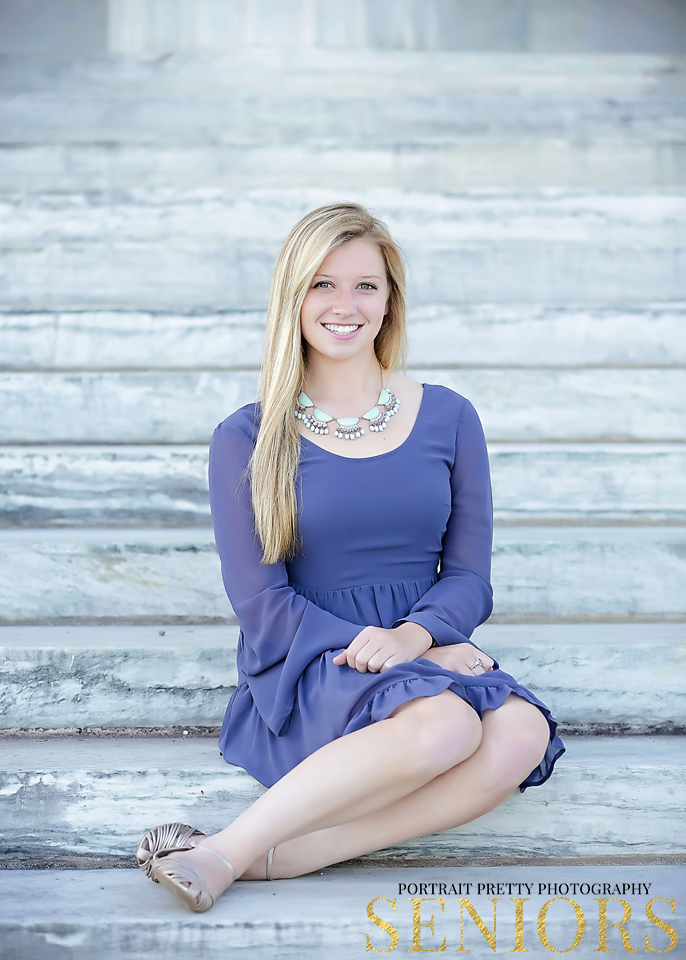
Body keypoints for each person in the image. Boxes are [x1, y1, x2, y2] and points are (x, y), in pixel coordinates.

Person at [136, 203, 565, 912]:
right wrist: (412, 658)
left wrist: (418, 639)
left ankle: (292, 855)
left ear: (391, 298)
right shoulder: (246, 437)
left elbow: (468, 577)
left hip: (418, 642)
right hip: (313, 660)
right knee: (449, 722)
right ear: (292, 297)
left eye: (366, 285)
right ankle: (223, 851)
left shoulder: (449, 415)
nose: (345, 305)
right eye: (322, 285)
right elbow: (259, 604)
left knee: (523, 729)